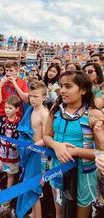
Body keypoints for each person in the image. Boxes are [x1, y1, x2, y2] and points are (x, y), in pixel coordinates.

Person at [43, 71, 104, 218]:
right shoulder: (56, 110)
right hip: (57, 169)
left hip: (84, 174)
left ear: (83, 90)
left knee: (81, 213)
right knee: (60, 212)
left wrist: (76, 151)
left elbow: (101, 153)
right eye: (62, 85)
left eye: (68, 86)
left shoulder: (94, 115)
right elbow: (46, 136)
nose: (62, 90)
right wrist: (56, 146)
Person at [16, 81, 49, 218]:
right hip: (30, 152)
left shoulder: (44, 114)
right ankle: (34, 213)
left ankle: (38, 215)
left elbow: (47, 137)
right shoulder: (31, 109)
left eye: (35, 96)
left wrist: (33, 146)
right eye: (30, 96)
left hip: (38, 155)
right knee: (29, 184)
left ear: (44, 97)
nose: (32, 99)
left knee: (33, 187)